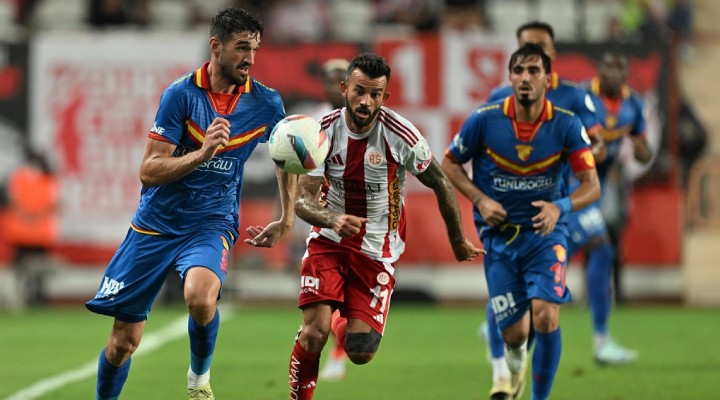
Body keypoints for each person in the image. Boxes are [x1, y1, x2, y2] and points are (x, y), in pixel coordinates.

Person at [85, 8, 295, 400]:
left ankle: (198, 380)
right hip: (155, 225)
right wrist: (202, 153)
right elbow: (149, 170)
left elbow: (287, 156)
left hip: (211, 221)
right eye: (242, 47)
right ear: (216, 46)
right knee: (123, 343)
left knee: (200, 297)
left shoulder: (267, 102)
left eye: (255, 49)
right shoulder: (180, 95)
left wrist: (286, 217)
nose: (250, 58)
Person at [287, 52, 484, 400]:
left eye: (375, 94)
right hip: (328, 240)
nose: (366, 101)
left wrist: (458, 240)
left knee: (361, 351)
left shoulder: (401, 134)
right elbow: (303, 201)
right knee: (314, 333)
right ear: (345, 89)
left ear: (385, 96)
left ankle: (337, 314)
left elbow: (440, 181)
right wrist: (333, 219)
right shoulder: (322, 132)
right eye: (359, 91)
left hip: (377, 248)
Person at [442, 43, 601, 400]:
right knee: (515, 336)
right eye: (518, 71)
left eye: (533, 71)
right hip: (499, 239)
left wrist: (560, 206)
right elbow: (449, 163)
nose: (525, 77)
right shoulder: (485, 119)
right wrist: (481, 199)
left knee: (546, 317)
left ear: (547, 78)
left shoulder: (567, 124)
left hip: (546, 235)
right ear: (510, 78)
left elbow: (592, 185)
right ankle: (515, 370)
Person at [577, 52, 652, 317]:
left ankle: (615, 294)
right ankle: (586, 294)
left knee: (610, 235)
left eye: (619, 68)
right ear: (600, 69)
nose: (613, 73)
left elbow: (644, 150)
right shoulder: (583, 95)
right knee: (584, 235)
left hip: (608, 176)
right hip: (576, 174)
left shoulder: (634, 103)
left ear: (626, 74)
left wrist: (642, 151)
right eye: (609, 67)